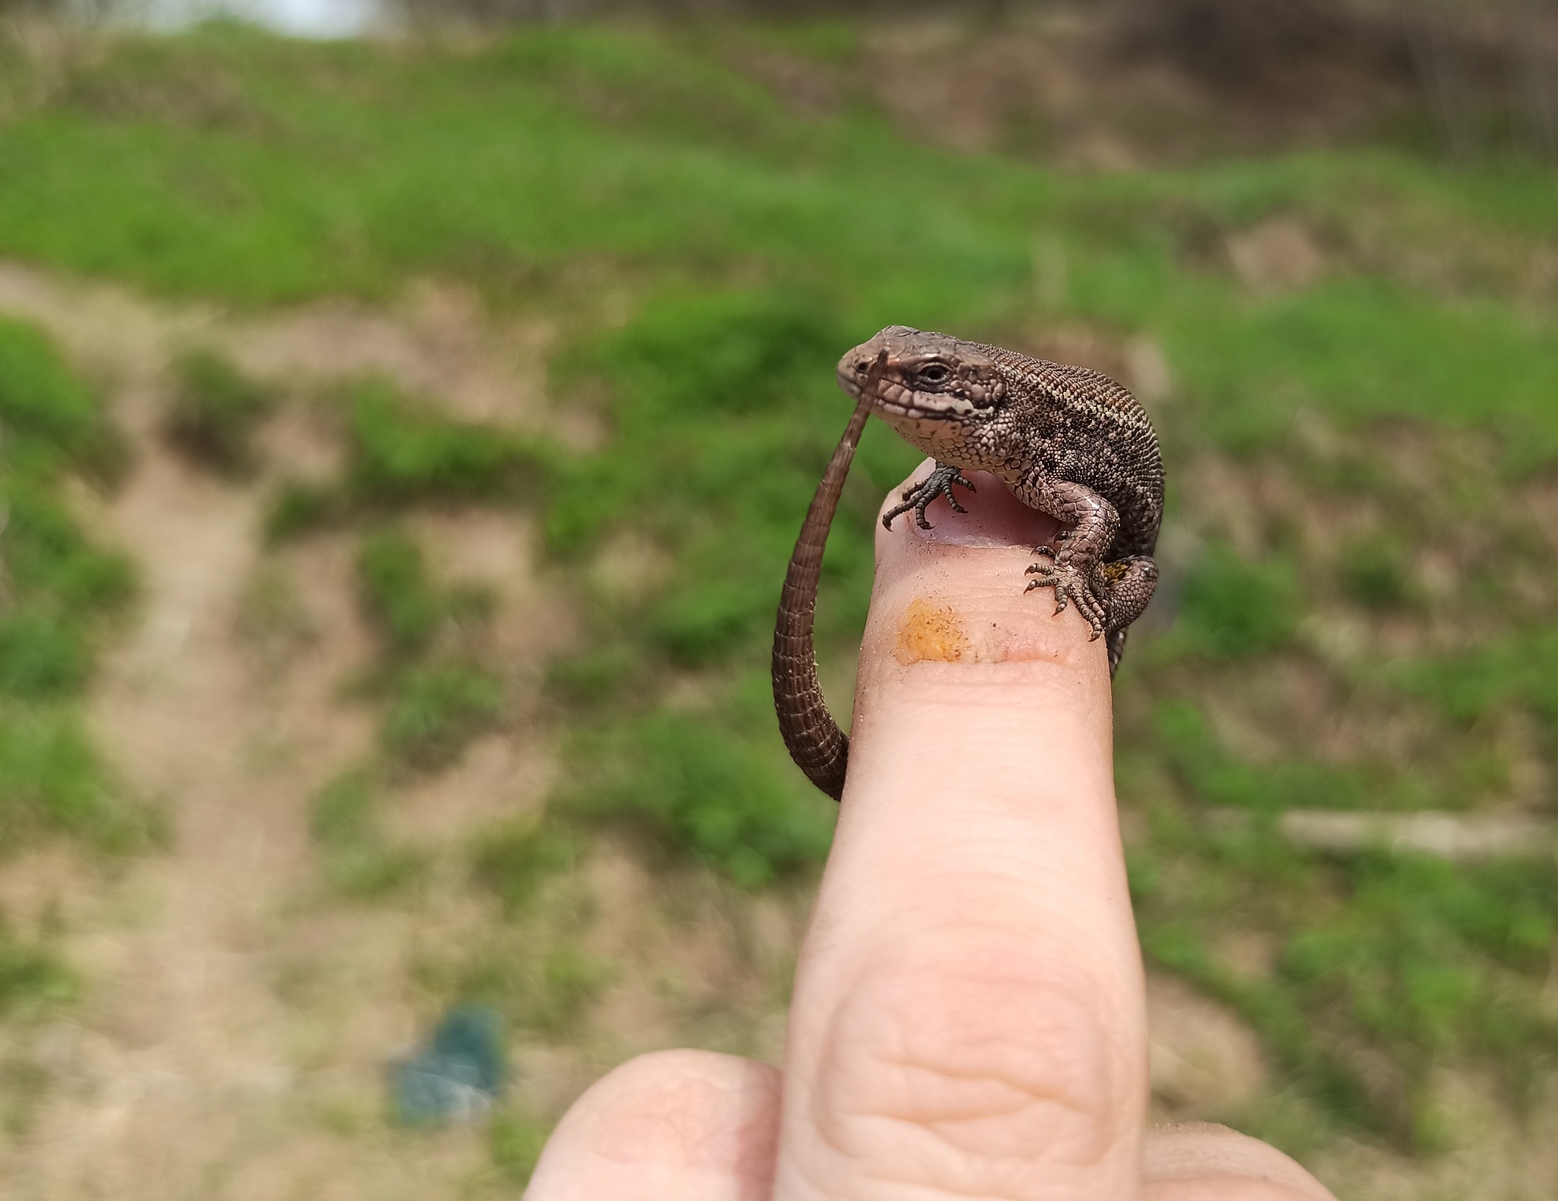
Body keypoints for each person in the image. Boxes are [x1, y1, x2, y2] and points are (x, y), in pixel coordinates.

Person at [525, 461, 1338, 1201]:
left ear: (980, 400)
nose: (877, 381)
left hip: (1112, 564)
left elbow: (1093, 512)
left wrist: (1070, 574)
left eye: (925, 375)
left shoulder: (1025, 441)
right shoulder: (982, 443)